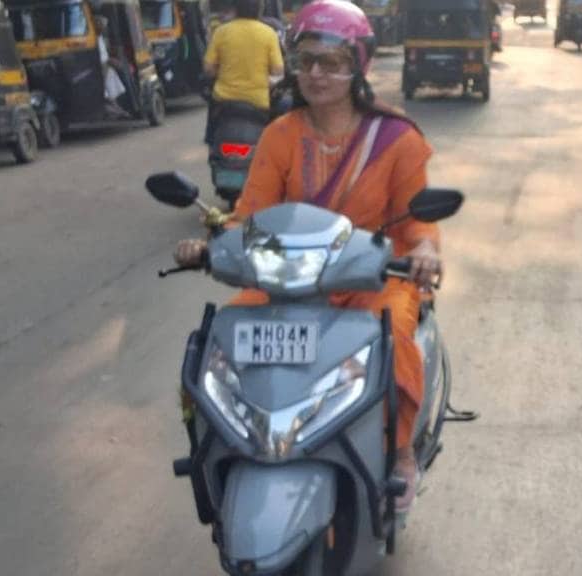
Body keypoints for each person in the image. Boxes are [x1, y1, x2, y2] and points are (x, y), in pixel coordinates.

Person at [175, 0, 440, 512]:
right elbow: (250, 215)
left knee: (393, 334)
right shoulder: (280, 134)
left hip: (372, 277)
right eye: (307, 60)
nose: (317, 74)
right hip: (289, 279)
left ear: (358, 64)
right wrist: (213, 247)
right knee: (220, 345)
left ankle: (401, 452)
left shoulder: (395, 137)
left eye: (333, 62)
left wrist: (426, 248)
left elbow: (415, 222)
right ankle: (222, 449)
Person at [203, 0, 284, 143]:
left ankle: (211, 145)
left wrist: (221, 72)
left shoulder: (221, 31)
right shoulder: (268, 33)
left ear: (236, 9)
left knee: (213, 134)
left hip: (224, 101)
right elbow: (278, 70)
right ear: (260, 9)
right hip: (258, 102)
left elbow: (208, 68)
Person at [94, 16, 127, 116]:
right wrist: (110, 62)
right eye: (102, 25)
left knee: (112, 83)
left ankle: (116, 107)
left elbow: (105, 53)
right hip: (101, 68)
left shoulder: (101, 38)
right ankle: (114, 109)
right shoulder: (94, 38)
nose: (104, 28)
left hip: (107, 66)